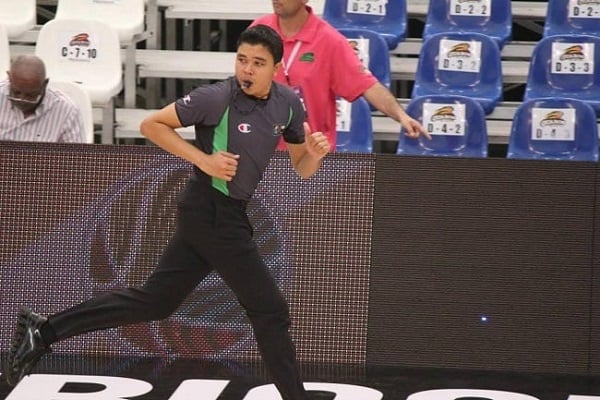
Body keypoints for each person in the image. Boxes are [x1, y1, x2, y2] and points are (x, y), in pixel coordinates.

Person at [5, 25, 329, 400]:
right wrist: (204, 160)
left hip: (227, 214)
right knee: (270, 310)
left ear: (276, 68)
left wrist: (315, 155)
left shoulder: (289, 104)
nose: (247, 70)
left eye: (258, 63)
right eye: (242, 60)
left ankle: (43, 331)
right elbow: (151, 124)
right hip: (210, 210)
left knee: (155, 302)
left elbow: (302, 166)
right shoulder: (216, 97)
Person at [251, 0, 430, 150]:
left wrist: (401, 115)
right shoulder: (258, 30)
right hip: (260, 150)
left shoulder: (329, 41)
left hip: (309, 154)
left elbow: (367, 85)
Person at [0, 55, 86, 143]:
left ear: (44, 84)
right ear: (9, 78)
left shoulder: (67, 111)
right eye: (16, 93)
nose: (22, 100)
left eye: (30, 95)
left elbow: (76, 154)